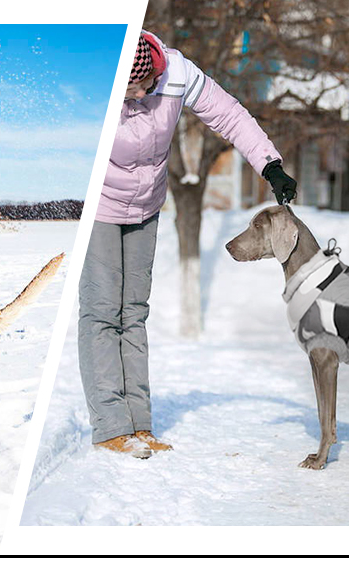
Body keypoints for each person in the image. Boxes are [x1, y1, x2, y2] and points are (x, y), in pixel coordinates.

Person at [78, 31, 297, 458]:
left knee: (134, 312)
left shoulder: (177, 72)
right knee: (103, 311)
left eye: (142, 88)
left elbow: (229, 116)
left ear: (155, 71)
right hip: (101, 206)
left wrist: (270, 165)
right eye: (128, 91)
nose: (137, 97)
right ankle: (109, 426)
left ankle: (139, 425)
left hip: (146, 205)